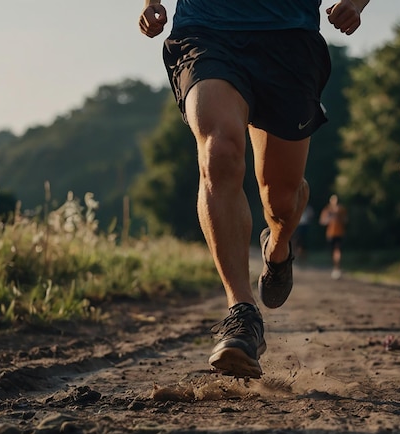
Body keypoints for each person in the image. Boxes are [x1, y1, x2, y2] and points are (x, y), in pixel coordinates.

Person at [139, 0, 370, 378]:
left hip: (289, 38)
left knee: (281, 198)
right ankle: (241, 314)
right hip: (207, 30)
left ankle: (278, 246)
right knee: (219, 151)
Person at [319, 194, 348, 279]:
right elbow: (322, 221)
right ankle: (335, 267)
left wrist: (339, 217)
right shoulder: (327, 210)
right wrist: (329, 219)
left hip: (339, 233)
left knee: (337, 250)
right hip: (330, 233)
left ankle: (337, 268)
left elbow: (346, 220)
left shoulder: (341, 209)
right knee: (332, 251)